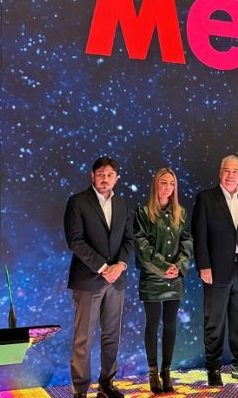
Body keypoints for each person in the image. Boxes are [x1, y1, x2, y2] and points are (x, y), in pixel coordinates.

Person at [64, 156, 133, 398]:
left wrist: (120, 265)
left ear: (117, 179)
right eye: (101, 174)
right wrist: (104, 268)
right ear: (92, 176)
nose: (105, 179)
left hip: (117, 281)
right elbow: (75, 241)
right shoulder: (77, 202)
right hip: (88, 280)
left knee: (112, 335)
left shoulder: (123, 203)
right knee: (83, 338)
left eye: (110, 175)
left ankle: (107, 385)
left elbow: (129, 239)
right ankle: (80, 390)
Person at [192, 155, 238, 385]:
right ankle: (213, 368)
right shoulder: (205, 198)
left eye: (235, 171)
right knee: (214, 321)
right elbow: (199, 235)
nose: (230, 175)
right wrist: (203, 266)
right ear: (220, 172)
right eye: (227, 170)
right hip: (215, 270)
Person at [134, 168, 193, 393]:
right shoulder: (143, 212)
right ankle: (152, 371)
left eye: (171, 183)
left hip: (174, 277)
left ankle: (166, 371)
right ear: (155, 185)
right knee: (152, 324)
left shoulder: (181, 212)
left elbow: (187, 241)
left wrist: (178, 266)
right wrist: (163, 267)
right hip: (152, 277)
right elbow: (141, 244)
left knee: (170, 325)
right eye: (163, 182)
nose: (168, 187)